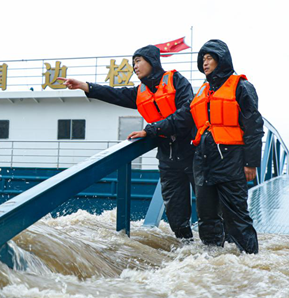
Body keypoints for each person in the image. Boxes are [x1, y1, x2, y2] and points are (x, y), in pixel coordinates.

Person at [58, 45, 195, 240]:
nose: (135, 66)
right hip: (168, 156)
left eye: (138, 61)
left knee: (209, 209)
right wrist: (84, 86)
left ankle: (219, 252)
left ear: (152, 61)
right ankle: (188, 249)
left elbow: (186, 114)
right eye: (133, 63)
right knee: (175, 214)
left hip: (193, 151)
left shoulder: (177, 81)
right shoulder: (140, 92)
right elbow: (114, 94)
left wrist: (151, 130)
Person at [146, 39, 263, 253]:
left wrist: (251, 163)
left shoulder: (241, 87)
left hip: (230, 160)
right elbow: (181, 118)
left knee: (236, 216)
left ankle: (250, 262)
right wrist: (151, 129)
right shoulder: (202, 92)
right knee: (206, 217)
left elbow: (254, 127)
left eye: (209, 58)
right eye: (203, 59)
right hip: (202, 161)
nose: (205, 62)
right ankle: (214, 262)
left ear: (222, 59)